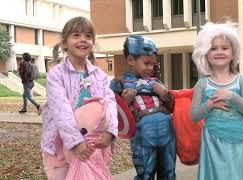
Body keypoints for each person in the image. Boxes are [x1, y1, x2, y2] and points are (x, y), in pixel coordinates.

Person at [41, 16, 118, 179]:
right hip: (60, 147)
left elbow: (109, 104)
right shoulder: (56, 75)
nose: (83, 40)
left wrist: (110, 131)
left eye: (88, 36)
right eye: (76, 35)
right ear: (64, 42)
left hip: (93, 146)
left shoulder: (100, 75)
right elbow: (61, 110)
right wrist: (75, 142)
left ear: (93, 42)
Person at [190, 22, 243, 180]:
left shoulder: (242, 80)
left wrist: (232, 96)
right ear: (205, 54)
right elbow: (194, 115)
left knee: (239, 175)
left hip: (239, 143)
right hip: (213, 142)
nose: (219, 52)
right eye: (213, 48)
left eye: (224, 48)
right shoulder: (202, 84)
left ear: (233, 52)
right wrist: (209, 105)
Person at [110, 35, 176, 180]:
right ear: (131, 60)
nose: (150, 68)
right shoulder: (119, 83)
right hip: (143, 135)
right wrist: (124, 101)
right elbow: (110, 116)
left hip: (167, 132)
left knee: (169, 173)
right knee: (145, 174)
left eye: (153, 64)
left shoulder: (157, 81)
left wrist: (165, 94)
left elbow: (173, 107)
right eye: (147, 63)